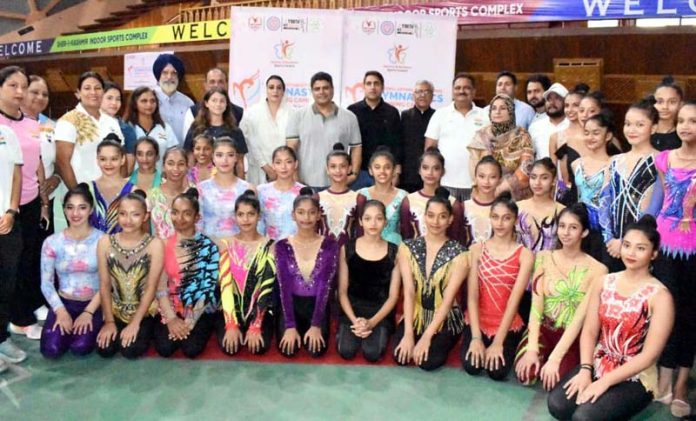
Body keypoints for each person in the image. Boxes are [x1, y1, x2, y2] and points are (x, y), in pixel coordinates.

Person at [547, 216, 673, 421]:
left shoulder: (660, 296)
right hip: (599, 364)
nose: (631, 253)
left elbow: (649, 356)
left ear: (654, 254)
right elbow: (589, 332)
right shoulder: (604, 282)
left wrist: (605, 382)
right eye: (627, 245)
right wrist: (586, 370)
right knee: (558, 405)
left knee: (584, 417)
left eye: (640, 248)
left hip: (635, 376)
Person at [514, 205, 608, 386]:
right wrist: (532, 349)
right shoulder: (543, 257)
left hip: (572, 337)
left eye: (573, 227)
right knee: (527, 375)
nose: (566, 232)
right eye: (562, 226)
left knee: (554, 382)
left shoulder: (598, 270)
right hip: (543, 329)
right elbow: (536, 306)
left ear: (585, 232)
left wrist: (555, 359)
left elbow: (580, 319)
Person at [393, 188, 469, 371]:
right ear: (424, 217)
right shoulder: (407, 248)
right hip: (417, 312)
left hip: (445, 317)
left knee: (427, 362)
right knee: (401, 357)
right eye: (431, 215)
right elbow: (409, 292)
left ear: (450, 220)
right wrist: (409, 334)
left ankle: (444, 336)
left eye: (442, 216)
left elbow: (448, 300)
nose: (436, 222)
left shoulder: (460, 254)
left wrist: (427, 337)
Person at [462, 192, 534, 381]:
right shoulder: (476, 249)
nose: (500, 223)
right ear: (490, 218)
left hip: (507, 322)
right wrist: (476, 338)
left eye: (506, 218)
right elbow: (472, 296)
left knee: (497, 372)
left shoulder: (525, 255)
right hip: (478, 319)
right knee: (472, 366)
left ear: (515, 220)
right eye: (495, 217)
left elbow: (514, 300)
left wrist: (498, 342)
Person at [654, 101, 696, 418]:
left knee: (689, 314)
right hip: (666, 245)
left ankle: (682, 383)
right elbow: (661, 200)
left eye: (693, 121)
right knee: (665, 311)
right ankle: (663, 376)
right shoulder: (664, 160)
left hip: (693, 249)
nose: (685, 126)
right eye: (681, 120)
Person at [0, 66, 48, 339]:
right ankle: (14, 322)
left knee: (28, 260)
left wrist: (43, 201)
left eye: (23, 87)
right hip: (5, 207)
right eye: (13, 86)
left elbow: (37, 163)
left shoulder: (32, 124)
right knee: (9, 268)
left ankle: (23, 313)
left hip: (29, 202)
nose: (20, 92)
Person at [96, 190, 163, 359]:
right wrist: (109, 322)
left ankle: (149, 329)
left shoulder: (154, 244)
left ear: (145, 217)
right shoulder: (105, 242)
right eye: (123, 214)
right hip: (116, 310)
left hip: (145, 311)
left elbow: (151, 287)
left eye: (135, 215)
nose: (128, 220)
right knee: (105, 349)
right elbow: (104, 285)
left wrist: (135, 323)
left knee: (130, 350)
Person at [40, 184, 103, 358]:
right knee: (51, 350)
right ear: (65, 210)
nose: (76, 214)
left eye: (82, 208)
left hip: (93, 304)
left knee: (80, 347)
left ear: (90, 210)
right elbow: (46, 283)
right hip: (64, 302)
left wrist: (88, 312)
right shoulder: (52, 242)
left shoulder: (102, 241)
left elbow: (108, 283)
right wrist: (60, 311)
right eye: (70, 207)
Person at [154, 188, 219, 358]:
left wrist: (188, 323)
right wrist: (171, 319)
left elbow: (207, 290)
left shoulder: (208, 247)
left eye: (186, 214)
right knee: (165, 349)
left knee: (191, 349)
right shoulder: (162, 245)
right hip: (171, 306)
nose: (179, 219)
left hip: (199, 307)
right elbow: (160, 288)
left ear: (197, 217)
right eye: (175, 213)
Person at [54, 71, 123, 231]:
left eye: (97, 88)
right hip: (82, 197)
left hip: (110, 196)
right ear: (78, 93)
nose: (93, 92)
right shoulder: (69, 120)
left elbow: (121, 157)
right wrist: (78, 195)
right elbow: (62, 161)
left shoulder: (111, 122)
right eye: (87, 88)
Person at [276, 188, 338, 358]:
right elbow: (284, 287)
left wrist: (316, 324)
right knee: (287, 351)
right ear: (293, 215)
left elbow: (325, 287)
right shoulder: (282, 246)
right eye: (301, 213)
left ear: (319, 215)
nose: (306, 218)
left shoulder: (330, 245)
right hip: (291, 306)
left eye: (311, 213)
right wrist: (290, 325)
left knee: (316, 351)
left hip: (317, 305)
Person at [600, 99, 660, 273]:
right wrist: (610, 238)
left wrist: (627, 242)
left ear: (654, 128)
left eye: (639, 125)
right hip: (611, 245)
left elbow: (655, 207)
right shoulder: (614, 161)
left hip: (641, 245)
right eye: (627, 124)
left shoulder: (660, 160)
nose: (631, 130)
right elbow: (604, 202)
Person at [337, 200, 400, 362]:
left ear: (385, 222)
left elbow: (393, 296)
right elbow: (342, 291)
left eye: (378, 218)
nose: (373, 223)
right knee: (346, 350)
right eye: (367, 218)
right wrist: (354, 320)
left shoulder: (394, 251)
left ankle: (376, 328)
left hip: (380, 311)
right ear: (360, 222)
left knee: (372, 353)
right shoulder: (347, 248)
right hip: (352, 310)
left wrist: (372, 322)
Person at [217, 190, 276, 356]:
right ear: (235, 217)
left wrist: (256, 324)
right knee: (230, 349)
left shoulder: (270, 246)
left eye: (251, 214)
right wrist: (230, 325)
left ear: (259, 216)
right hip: (231, 309)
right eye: (241, 214)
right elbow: (226, 285)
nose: (246, 219)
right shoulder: (226, 244)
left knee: (259, 348)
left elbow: (266, 286)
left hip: (260, 309)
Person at [286, 72, 362, 190]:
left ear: (332, 89)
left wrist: (354, 174)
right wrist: (295, 178)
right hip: (306, 184)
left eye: (325, 88)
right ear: (312, 91)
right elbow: (290, 150)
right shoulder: (298, 116)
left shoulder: (349, 117)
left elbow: (356, 148)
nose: (321, 92)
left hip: (338, 184)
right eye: (317, 89)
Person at [425, 73, 489, 201]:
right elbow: (430, 148)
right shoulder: (440, 114)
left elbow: (490, 150)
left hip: (476, 185)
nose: (462, 91)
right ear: (453, 91)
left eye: (466, 88)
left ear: (474, 92)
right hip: (445, 183)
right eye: (458, 88)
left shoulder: (485, 116)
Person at [469, 94, 535, 201]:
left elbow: (526, 169)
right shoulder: (481, 136)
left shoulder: (522, 135)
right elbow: (474, 168)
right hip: (484, 194)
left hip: (516, 198)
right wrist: (487, 189)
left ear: (511, 111)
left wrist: (501, 190)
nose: (497, 112)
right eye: (494, 108)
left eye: (503, 108)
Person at [0, 120, 27, 368]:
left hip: (6, 222)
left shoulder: (7, 133)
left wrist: (11, 210)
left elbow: (16, 175)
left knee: (6, 285)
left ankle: (2, 338)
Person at [348, 71, 402, 189]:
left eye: (376, 83)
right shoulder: (352, 111)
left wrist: (396, 172)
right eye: (369, 83)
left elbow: (397, 145)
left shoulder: (392, 112)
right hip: (359, 172)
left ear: (382, 87)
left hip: (384, 172)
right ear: (364, 87)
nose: (372, 87)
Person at [400, 148, 465, 245]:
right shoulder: (409, 201)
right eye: (425, 168)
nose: (430, 173)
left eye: (436, 168)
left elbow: (456, 238)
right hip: (414, 256)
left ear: (442, 171)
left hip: (446, 256)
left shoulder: (453, 204)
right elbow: (406, 236)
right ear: (419, 170)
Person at [240, 75, 296, 185]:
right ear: (266, 90)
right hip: (259, 169)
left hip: (284, 170)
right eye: (271, 87)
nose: (275, 91)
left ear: (283, 91)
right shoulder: (252, 113)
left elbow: (292, 144)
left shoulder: (292, 113)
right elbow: (251, 143)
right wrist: (266, 167)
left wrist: (280, 167)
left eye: (279, 88)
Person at [572, 112, 613, 261]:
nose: (590, 137)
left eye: (596, 133)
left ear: (608, 135)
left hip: (603, 229)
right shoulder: (576, 164)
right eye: (587, 133)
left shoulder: (613, 164)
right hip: (580, 226)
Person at [22, 75, 59, 236]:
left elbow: (60, 160)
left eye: (45, 94)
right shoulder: (9, 123)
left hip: (47, 200)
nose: (40, 98)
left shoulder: (51, 126)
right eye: (34, 92)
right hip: (19, 203)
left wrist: (56, 177)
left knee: (41, 252)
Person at [183, 87, 248, 178]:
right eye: (214, 100)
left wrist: (242, 189)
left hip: (228, 181)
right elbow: (190, 159)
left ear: (226, 105)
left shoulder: (235, 130)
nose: (218, 104)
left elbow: (240, 163)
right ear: (206, 103)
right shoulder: (196, 129)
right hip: (201, 180)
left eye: (222, 101)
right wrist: (190, 184)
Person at [198, 136, 254, 241]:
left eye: (230, 155)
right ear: (213, 158)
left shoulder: (247, 189)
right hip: (210, 251)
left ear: (236, 158)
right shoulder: (201, 189)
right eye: (219, 155)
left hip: (240, 250)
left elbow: (254, 227)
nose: (225, 160)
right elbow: (197, 226)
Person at [355, 149, 408, 244]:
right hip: (367, 249)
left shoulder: (404, 196)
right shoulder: (361, 195)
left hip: (395, 248)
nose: (382, 171)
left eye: (387, 167)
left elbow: (407, 229)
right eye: (377, 167)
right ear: (370, 170)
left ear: (394, 170)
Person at [516, 158, 565, 253]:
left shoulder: (562, 211)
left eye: (544, 178)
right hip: (520, 265)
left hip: (549, 265)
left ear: (554, 181)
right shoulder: (517, 207)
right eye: (533, 177)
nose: (537, 182)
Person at [549, 85, 587, 206]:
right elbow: (553, 173)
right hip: (564, 194)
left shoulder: (592, 137)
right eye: (567, 105)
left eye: (575, 105)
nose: (570, 109)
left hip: (588, 194)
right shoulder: (556, 137)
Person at [182, 67, 244, 140]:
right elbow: (187, 148)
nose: (216, 85)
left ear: (227, 84)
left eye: (220, 82)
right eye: (212, 82)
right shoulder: (192, 112)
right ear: (205, 85)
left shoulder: (240, 113)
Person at [88, 137, 134, 234]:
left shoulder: (133, 191)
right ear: (97, 160)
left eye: (114, 159)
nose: (108, 164)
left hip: (123, 247)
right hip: (92, 247)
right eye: (103, 159)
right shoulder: (88, 189)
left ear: (123, 159)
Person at [257, 146, 304, 240]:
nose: (283, 167)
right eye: (278, 162)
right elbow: (259, 223)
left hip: (297, 248)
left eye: (288, 162)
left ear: (296, 164)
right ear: (273, 165)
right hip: (269, 248)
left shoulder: (303, 192)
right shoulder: (262, 191)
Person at [125, 87, 177, 170]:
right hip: (134, 180)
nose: (149, 104)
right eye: (144, 101)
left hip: (160, 179)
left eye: (152, 101)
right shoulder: (127, 128)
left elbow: (173, 156)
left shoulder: (165, 128)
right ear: (135, 104)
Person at [317, 144, 358, 247]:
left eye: (342, 166)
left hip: (350, 256)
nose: (338, 171)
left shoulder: (358, 198)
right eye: (333, 166)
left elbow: (361, 232)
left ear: (349, 169)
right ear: (327, 169)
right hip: (323, 256)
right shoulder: (317, 198)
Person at [400, 80, 436, 193]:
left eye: (427, 92)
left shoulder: (437, 116)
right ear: (413, 95)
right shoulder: (405, 116)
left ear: (432, 96)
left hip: (430, 174)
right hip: (407, 174)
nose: (422, 95)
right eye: (419, 91)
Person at [148, 147, 190, 239]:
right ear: (163, 167)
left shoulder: (194, 194)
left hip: (188, 250)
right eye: (170, 164)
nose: (176, 168)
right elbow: (145, 231)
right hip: (159, 250)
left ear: (187, 166)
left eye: (181, 164)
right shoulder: (152, 196)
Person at [152, 53, 194, 145]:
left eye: (174, 73)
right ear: (158, 75)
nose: (169, 77)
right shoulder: (150, 99)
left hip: (182, 156)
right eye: (165, 72)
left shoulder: (188, 103)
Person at [101, 81, 137, 174]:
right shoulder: (87, 123)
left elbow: (128, 167)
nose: (114, 103)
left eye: (118, 99)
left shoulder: (126, 129)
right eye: (109, 98)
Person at [528, 83, 569, 159]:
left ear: (566, 102)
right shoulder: (535, 127)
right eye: (549, 99)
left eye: (557, 98)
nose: (552, 103)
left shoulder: (573, 125)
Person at [651, 76, 684, 151]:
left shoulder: (685, 133)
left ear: (680, 104)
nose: (665, 107)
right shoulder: (644, 132)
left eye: (672, 102)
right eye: (660, 101)